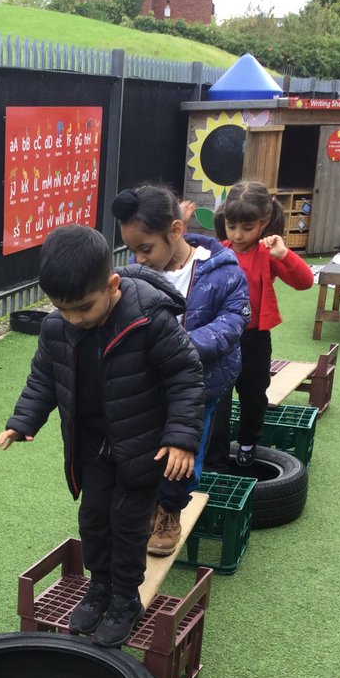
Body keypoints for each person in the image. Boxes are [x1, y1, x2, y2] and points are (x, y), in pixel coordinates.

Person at [0, 224, 205, 648]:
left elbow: (185, 376)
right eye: (62, 309)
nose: (74, 319)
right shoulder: (59, 326)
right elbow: (44, 378)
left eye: (83, 309)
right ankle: (99, 587)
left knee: (126, 526)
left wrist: (181, 438)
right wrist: (23, 421)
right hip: (91, 444)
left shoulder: (149, 318)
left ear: (112, 285)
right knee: (93, 520)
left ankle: (127, 599)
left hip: (141, 445)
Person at [110, 183, 250, 555]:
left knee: (183, 450)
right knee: (143, 447)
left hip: (199, 384)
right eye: (132, 250)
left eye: (146, 248)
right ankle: (144, 504)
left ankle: (170, 509)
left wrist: (179, 348)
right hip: (147, 383)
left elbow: (233, 322)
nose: (139, 258)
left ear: (175, 231)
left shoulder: (222, 270)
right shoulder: (131, 277)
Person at [213, 180, 314, 466]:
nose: (238, 235)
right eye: (232, 226)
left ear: (264, 222)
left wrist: (284, 254)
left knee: (254, 393)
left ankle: (247, 444)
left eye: (247, 228)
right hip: (220, 337)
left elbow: (305, 281)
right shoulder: (219, 251)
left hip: (254, 337)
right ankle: (215, 456)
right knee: (218, 397)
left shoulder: (267, 253)